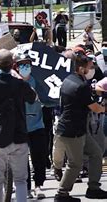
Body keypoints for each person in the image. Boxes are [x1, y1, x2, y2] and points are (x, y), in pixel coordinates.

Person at [0, 49, 37, 202]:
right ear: (12, 65)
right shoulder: (19, 84)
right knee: (21, 180)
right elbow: (32, 98)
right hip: (19, 135)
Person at [52, 53, 107, 201]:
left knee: (96, 153)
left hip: (76, 128)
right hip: (72, 131)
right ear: (81, 68)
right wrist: (104, 108)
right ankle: (61, 194)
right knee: (75, 164)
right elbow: (95, 108)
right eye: (89, 67)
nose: (92, 70)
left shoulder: (69, 79)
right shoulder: (80, 85)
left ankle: (93, 187)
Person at [13, 52, 47, 199]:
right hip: (20, 126)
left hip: (37, 124)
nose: (24, 67)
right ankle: (25, 187)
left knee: (39, 157)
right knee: (21, 159)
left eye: (27, 64)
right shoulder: (14, 83)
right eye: (21, 64)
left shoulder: (38, 82)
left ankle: (38, 185)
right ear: (16, 66)